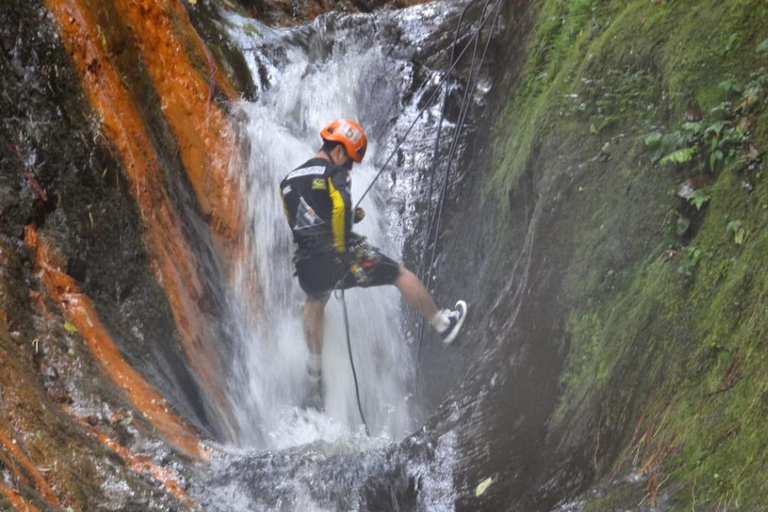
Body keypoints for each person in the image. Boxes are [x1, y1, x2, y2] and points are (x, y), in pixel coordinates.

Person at [279, 119, 467, 409]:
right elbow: (339, 207)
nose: (348, 168)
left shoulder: (288, 180)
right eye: (349, 161)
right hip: (339, 259)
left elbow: (302, 220)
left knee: (314, 299)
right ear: (339, 151)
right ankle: (444, 324)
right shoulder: (333, 172)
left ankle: (315, 369)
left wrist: (348, 220)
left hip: (307, 267)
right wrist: (341, 251)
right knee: (398, 274)